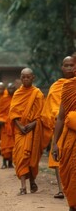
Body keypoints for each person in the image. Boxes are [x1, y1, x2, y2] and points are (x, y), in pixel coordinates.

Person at [41, 56, 74, 199]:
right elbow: (50, 109)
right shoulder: (57, 86)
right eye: (65, 65)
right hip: (60, 127)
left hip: (73, 127)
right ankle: (62, 189)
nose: (68, 68)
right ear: (61, 67)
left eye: (71, 65)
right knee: (58, 159)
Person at [9, 68, 44, 195]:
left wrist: (33, 124)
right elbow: (13, 113)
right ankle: (23, 186)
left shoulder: (38, 94)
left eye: (28, 77)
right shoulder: (17, 94)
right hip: (21, 131)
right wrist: (20, 126)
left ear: (33, 77)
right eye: (23, 77)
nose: (25, 79)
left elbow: (42, 114)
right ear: (20, 77)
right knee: (21, 157)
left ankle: (32, 181)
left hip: (34, 129)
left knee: (32, 157)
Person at [52, 61, 76, 211]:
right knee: (70, 171)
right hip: (70, 138)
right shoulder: (68, 87)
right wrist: (55, 143)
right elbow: (61, 117)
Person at [0, 83, 16, 169]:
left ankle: (10, 163)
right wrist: (1, 120)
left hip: (14, 125)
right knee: (4, 145)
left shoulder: (17, 98)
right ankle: (4, 162)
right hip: (5, 125)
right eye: (9, 88)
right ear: (7, 89)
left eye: (13, 88)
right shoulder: (3, 99)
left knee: (12, 145)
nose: (11, 90)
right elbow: (0, 112)